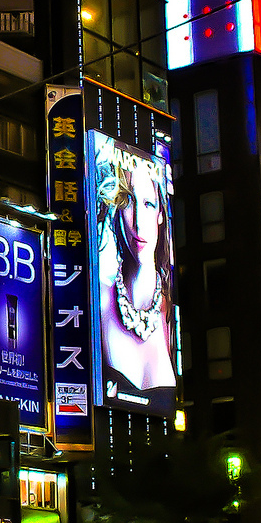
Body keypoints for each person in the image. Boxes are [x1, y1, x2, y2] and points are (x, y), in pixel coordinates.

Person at [93, 144, 176, 399]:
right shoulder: (98, 301)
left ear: (161, 213)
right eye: (129, 203)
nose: (139, 221)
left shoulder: (172, 312)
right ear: (117, 209)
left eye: (149, 204)